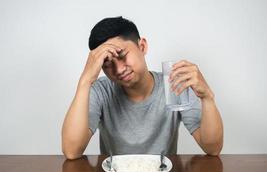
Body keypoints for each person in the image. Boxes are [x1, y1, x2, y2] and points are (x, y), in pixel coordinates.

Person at [61, 16, 223, 159]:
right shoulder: (101, 91)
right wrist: (85, 80)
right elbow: (71, 151)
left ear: (142, 46)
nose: (119, 69)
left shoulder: (172, 84)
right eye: (107, 63)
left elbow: (212, 148)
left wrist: (207, 97)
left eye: (123, 56)